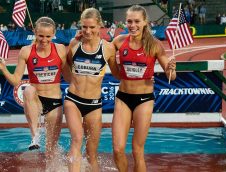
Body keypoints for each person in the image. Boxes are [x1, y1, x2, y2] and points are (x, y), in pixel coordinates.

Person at [111, 5, 176, 172]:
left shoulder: (154, 44)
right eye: (129, 21)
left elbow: (171, 77)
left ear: (145, 22)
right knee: (118, 149)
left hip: (144, 100)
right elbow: (100, 51)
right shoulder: (119, 41)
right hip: (123, 98)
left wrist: (171, 68)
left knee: (137, 151)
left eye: (137, 21)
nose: (132, 25)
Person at [0, 16, 68, 166]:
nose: (44, 40)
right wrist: (3, 68)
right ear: (35, 32)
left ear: (54, 34)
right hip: (35, 100)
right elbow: (17, 80)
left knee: (51, 149)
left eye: (48, 36)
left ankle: (53, 168)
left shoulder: (60, 49)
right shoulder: (26, 51)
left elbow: (68, 76)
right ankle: (35, 136)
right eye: (40, 36)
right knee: (28, 89)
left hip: (54, 102)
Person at [64, 7, 119, 172]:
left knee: (91, 154)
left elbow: (118, 74)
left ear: (100, 25)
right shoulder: (74, 44)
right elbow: (66, 64)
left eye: (92, 27)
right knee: (77, 139)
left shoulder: (108, 48)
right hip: (73, 100)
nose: (87, 31)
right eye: (84, 27)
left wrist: (145, 77)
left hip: (94, 104)